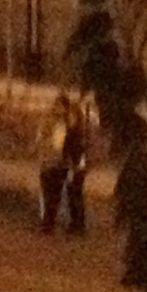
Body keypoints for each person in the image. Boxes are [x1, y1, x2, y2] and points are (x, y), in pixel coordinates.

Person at [37, 98, 72, 235]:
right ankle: (48, 223)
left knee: (54, 195)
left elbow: (63, 145)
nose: (59, 109)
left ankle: (49, 223)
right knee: (48, 194)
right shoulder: (48, 122)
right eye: (57, 106)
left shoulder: (68, 123)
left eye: (61, 106)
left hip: (59, 163)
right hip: (49, 162)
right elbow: (41, 140)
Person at [60, 95, 92, 237]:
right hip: (72, 166)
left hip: (77, 167)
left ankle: (78, 225)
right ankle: (75, 223)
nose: (69, 118)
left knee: (76, 195)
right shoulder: (71, 132)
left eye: (72, 116)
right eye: (69, 116)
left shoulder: (78, 133)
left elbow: (80, 151)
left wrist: (75, 167)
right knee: (72, 195)